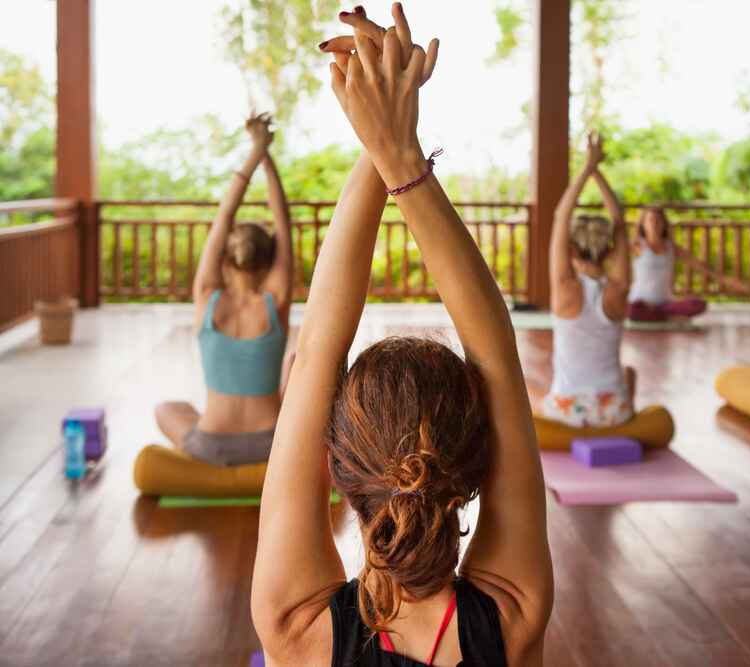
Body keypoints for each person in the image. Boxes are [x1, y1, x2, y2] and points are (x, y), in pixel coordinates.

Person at [251, 5, 552, 666]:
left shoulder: (295, 626)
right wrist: (396, 149)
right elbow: (497, 349)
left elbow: (316, 355)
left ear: (331, 467)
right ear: (478, 467)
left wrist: (383, 140)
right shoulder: (511, 617)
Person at [154, 113, 293, 465]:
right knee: (294, 365)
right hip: (271, 445)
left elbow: (224, 216)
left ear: (226, 261)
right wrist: (266, 154)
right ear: (269, 261)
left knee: (168, 409)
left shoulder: (206, 297)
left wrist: (254, 150)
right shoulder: (275, 301)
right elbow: (283, 220)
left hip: (212, 446)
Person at [540, 131, 636, 428]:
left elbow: (560, 216)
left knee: (539, 389)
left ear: (570, 250)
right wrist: (597, 169)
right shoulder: (618, 288)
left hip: (568, 412)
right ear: (609, 249)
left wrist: (587, 165)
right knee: (629, 373)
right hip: (614, 411)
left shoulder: (565, 288)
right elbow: (618, 219)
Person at [627, 206, 707, 321]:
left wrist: (727, 281)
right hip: (640, 303)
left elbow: (700, 265)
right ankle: (665, 316)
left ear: (664, 224)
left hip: (665, 303)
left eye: (658, 220)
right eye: (650, 220)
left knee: (698, 304)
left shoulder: (671, 248)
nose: (654, 224)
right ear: (643, 224)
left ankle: (659, 315)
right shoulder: (637, 245)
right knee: (633, 310)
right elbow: (615, 257)